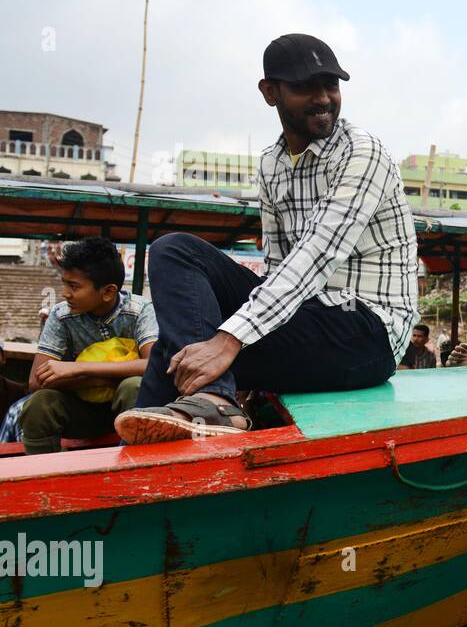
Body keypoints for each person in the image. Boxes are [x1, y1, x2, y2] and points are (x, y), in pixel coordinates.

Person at [114, 34, 418, 445]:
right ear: (270, 92)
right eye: (306, 87)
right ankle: (208, 401)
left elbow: (314, 257)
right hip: (304, 317)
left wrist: (229, 339)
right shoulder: (272, 164)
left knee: (183, 348)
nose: (324, 98)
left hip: (366, 332)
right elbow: (277, 263)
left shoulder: (362, 153)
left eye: (331, 85)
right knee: (173, 250)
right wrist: (223, 340)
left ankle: (207, 403)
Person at [18, 238, 156, 455]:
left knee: (133, 386)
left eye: (74, 286)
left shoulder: (140, 310)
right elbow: (36, 382)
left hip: (130, 412)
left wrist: (77, 368)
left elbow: (153, 366)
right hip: (81, 414)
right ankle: (46, 481)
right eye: (64, 283)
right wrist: (103, 379)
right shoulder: (61, 315)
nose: (65, 293)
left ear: (108, 292)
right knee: (40, 403)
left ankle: (137, 473)